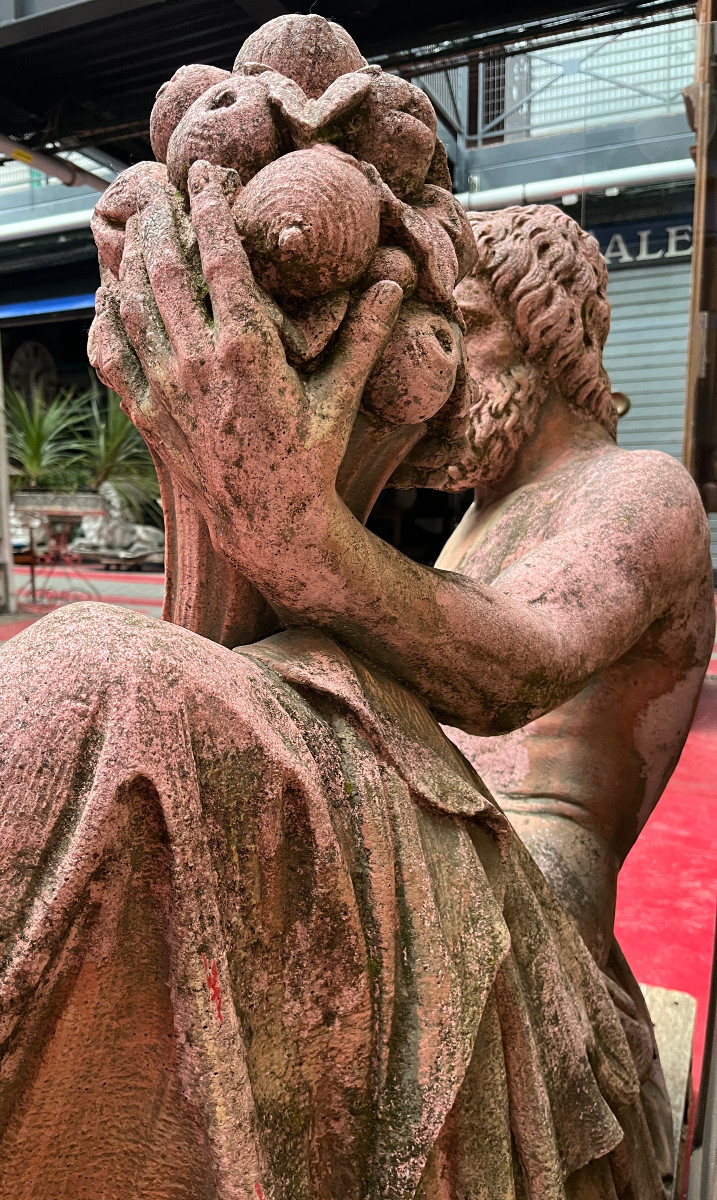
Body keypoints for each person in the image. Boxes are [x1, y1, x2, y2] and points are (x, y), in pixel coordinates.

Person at [0, 168, 708, 1200]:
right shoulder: (477, 519)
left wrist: (300, 535)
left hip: (530, 891)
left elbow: (510, 666)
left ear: (547, 332)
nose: (445, 377)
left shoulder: (638, 490)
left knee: (113, 687)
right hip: (428, 824)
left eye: (464, 326)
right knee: (117, 699)